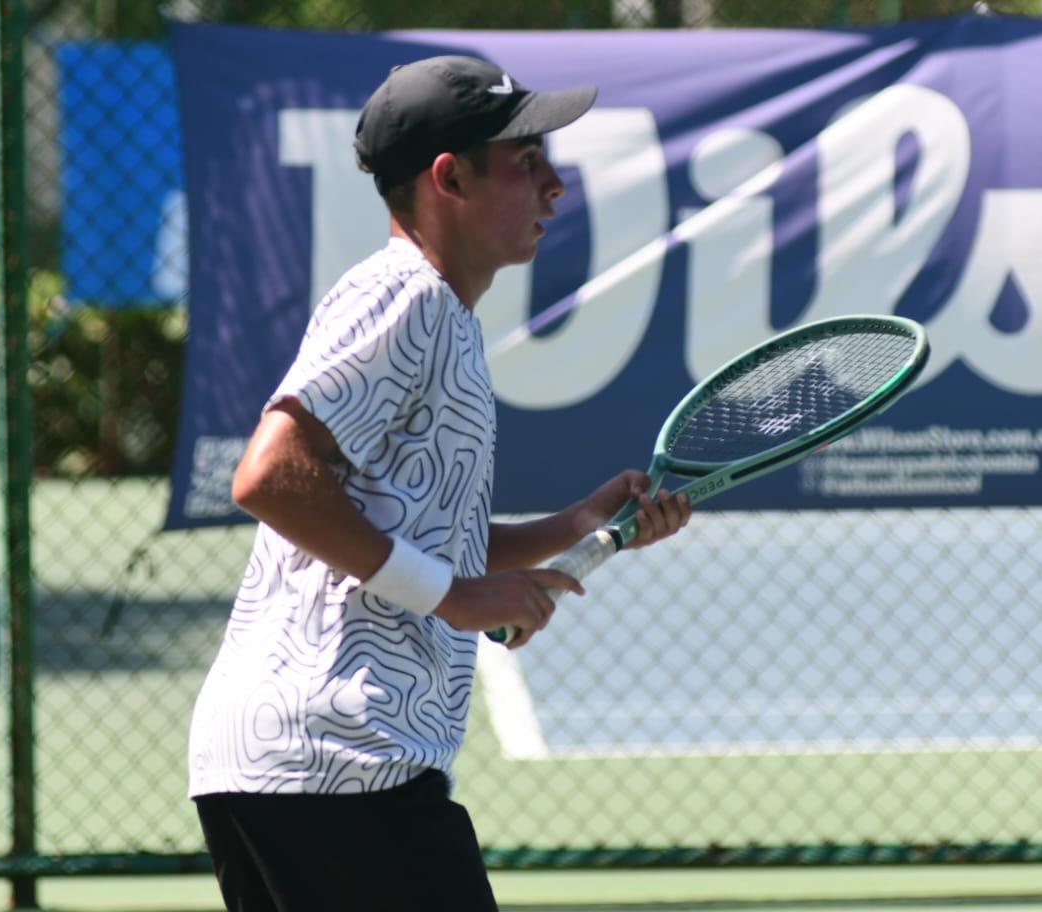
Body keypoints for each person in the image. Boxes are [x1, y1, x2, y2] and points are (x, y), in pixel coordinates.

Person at [187, 55, 691, 911]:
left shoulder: (436, 314)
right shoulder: (406, 298)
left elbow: (412, 529)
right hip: (338, 760)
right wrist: (455, 597)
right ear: (448, 178)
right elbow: (270, 477)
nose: (555, 187)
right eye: (526, 163)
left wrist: (574, 522)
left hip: (307, 765)